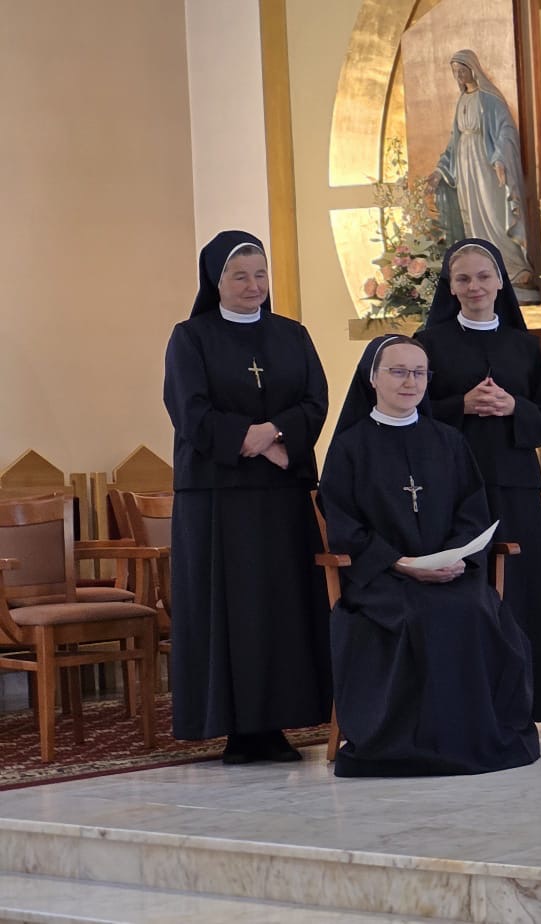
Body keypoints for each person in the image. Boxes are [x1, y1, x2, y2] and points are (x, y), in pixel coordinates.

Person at [317, 334, 540, 778]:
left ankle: (472, 736)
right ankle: (407, 745)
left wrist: (460, 559)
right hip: (382, 579)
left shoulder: (449, 441)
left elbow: (472, 511)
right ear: (372, 378)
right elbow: (343, 524)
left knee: (474, 608)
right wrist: (397, 563)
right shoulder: (350, 447)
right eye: (398, 372)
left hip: (452, 573)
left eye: (419, 373)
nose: (410, 382)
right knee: (417, 614)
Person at [163, 230, 331, 764]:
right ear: (216, 281)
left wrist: (276, 434)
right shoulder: (190, 338)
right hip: (217, 498)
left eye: (260, 275)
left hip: (282, 495)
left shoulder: (292, 335)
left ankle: (280, 723)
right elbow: (189, 410)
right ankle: (237, 729)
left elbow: (316, 400)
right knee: (231, 612)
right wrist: (255, 440)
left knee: (284, 607)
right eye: (240, 276)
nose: (253, 285)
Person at [415, 238, 541, 722]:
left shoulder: (523, 346)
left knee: (520, 591)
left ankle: (525, 703)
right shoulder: (429, 344)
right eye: (463, 279)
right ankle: (466, 704)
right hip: (453, 489)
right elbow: (411, 412)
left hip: (516, 486)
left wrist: (513, 406)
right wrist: (459, 405)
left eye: (483, 277)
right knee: (465, 590)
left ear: (500, 282)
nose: (474, 286)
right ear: (450, 287)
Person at [433, 48, 540, 303]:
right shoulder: (462, 101)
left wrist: (500, 158)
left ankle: (513, 269)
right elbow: (453, 142)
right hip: (465, 168)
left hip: (487, 167)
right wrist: (439, 171)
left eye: (462, 70)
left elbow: (506, 130)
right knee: (474, 221)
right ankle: (484, 271)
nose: (459, 76)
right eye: (455, 72)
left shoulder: (489, 99)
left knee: (494, 215)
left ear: (473, 70)